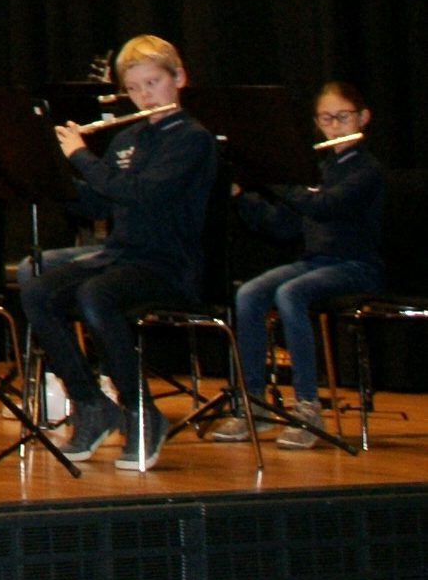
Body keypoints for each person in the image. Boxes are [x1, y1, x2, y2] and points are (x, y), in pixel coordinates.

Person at [27, 33, 216, 472]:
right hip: (123, 256)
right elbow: (100, 203)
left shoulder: (192, 139)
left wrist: (81, 158)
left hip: (169, 264)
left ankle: (142, 411)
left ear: (179, 78)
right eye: (134, 88)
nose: (144, 96)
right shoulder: (128, 139)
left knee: (97, 296)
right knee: (38, 291)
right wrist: (50, 173)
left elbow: (142, 195)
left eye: (153, 83)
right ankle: (92, 405)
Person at [210, 79, 384, 451]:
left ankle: (307, 408)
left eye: (343, 117)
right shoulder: (318, 170)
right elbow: (285, 225)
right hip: (315, 262)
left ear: (363, 118)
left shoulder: (366, 170)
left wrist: (277, 178)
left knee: (290, 294)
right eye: (326, 119)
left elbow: (324, 206)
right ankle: (253, 403)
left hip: (357, 266)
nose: (334, 127)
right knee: (250, 294)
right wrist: (244, 197)